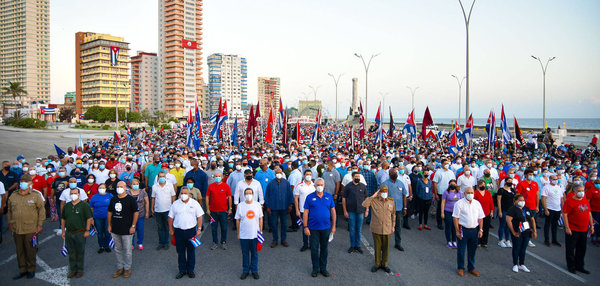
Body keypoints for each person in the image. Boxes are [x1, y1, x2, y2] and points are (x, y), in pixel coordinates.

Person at [7, 175, 45, 280]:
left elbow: (41, 210)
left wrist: (40, 224)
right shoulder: (14, 195)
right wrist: (10, 223)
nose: (22, 183)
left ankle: (31, 269)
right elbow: (9, 210)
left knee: (30, 250)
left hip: (30, 228)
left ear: (30, 183)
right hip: (17, 228)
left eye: (25, 181)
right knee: (20, 250)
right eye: (21, 181)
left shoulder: (35, 195)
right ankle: (22, 270)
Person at [168, 186, 204, 279]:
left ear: (189, 194)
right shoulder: (175, 204)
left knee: (191, 251)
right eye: (182, 193)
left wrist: (199, 228)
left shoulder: (195, 203)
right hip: (179, 232)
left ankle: (191, 270)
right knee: (181, 252)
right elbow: (170, 217)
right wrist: (171, 229)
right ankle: (182, 270)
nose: (183, 195)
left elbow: (200, 216)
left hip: (191, 231)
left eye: (185, 193)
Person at [303, 178, 336, 278]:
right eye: (318, 184)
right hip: (313, 228)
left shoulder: (329, 197)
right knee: (314, 249)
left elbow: (333, 212)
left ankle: (323, 268)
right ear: (315, 186)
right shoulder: (309, 197)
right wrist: (305, 227)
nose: (320, 186)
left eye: (321, 184)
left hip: (326, 227)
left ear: (324, 186)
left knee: (324, 249)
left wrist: (333, 226)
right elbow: (305, 212)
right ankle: (315, 268)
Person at [108, 181, 139, 278]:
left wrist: (133, 226)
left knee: (127, 250)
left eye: (121, 186)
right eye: (118, 186)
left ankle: (127, 268)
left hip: (127, 229)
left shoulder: (130, 199)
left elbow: (136, 212)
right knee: (117, 249)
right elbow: (110, 212)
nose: (119, 188)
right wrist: (109, 225)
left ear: (126, 188)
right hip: (115, 229)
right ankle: (120, 267)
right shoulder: (113, 199)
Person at [362, 185, 395, 273]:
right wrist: (373, 195)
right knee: (377, 247)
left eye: (386, 191)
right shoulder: (374, 200)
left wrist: (393, 226)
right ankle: (377, 264)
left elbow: (393, 215)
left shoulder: (391, 202)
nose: (384, 193)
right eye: (382, 192)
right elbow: (364, 204)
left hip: (387, 228)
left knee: (386, 248)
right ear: (379, 192)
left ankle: (385, 264)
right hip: (376, 228)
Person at [61, 187, 94, 278]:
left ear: (79, 194)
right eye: (71, 193)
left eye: (75, 193)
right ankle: (73, 269)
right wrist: (63, 231)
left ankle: (79, 269)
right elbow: (63, 219)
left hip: (80, 232)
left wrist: (87, 230)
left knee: (80, 251)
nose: (73, 195)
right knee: (71, 252)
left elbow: (89, 218)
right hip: (69, 232)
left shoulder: (84, 205)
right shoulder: (67, 206)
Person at [452, 187, 484, 277]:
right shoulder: (459, 204)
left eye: (472, 192)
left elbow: (480, 217)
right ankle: (461, 267)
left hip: (474, 230)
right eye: (468, 192)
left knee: (472, 250)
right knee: (461, 250)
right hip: (463, 230)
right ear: (464, 194)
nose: (470, 194)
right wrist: (457, 231)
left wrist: (481, 229)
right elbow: (455, 218)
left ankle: (471, 268)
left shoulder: (477, 204)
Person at [562, 185, 594, 274]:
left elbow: (589, 213)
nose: (581, 192)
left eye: (583, 190)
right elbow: (565, 214)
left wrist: (591, 226)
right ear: (574, 191)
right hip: (573, 229)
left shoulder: (585, 200)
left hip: (584, 229)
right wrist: (567, 227)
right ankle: (571, 266)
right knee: (571, 249)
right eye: (579, 190)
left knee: (582, 249)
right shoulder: (569, 201)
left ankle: (580, 266)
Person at [235, 187, 264, 280]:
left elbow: (260, 218)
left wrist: (261, 231)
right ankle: (245, 270)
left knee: (255, 253)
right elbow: (238, 220)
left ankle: (254, 270)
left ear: (253, 194)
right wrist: (238, 233)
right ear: (244, 195)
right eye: (246, 193)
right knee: (245, 253)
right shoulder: (240, 205)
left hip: (255, 234)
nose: (248, 195)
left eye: (250, 193)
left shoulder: (257, 205)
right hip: (244, 235)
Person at [506, 194, 537, 273]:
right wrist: (513, 231)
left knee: (523, 248)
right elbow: (509, 220)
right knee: (517, 247)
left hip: (526, 232)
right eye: (520, 200)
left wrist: (534, 231)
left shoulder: (527, 209)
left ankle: (522, 264)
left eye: (523, 200)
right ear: (515, 201)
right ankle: (515, 264)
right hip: (517, 232)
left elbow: (532, 220)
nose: (522, 202)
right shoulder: (512, 209)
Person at [264, 167, 293, 248]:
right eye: (277, 173)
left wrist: (290, 204)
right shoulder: (270, 183)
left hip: (284, 207)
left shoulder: (286, 183)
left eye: (280, 172)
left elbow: (290, 194)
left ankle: (283, 240)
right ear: (275, 174)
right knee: (274, 224)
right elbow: (267, 196)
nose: (279, 174)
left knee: (284, 224)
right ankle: (275, 240)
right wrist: (268, 207)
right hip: (273, 207)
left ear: (282, 173)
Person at [342, 171, 368, 254]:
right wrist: (345, 210)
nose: (357, 178)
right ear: (352, 177)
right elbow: (344, 198)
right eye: (356, 176)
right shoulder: (348, 186)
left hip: (360, 210)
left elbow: (366, 198)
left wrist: (367, 210)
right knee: (352, 229)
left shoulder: (363, 186)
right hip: (351, 211)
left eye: (358, 176)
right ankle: (352, 245)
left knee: (359, 229)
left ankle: (358, 245)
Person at [382, 169, 408, 251]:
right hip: (388, 210)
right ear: (389, 174)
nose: (395, 174)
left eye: (396, 173)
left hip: (399, 209)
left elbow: (404, 195)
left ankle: (398, 243)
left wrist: (405, 207)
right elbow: (382, 197)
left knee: (398, 227)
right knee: (386, 227)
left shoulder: (401, 183)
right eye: (393, 173)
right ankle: (384, 244)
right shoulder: (385, 184)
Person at [206, 171, 232, 250]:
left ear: (222, 177)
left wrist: (230, 208)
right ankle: (215, 242)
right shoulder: (211, 186)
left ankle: (223, 242)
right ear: (214, 177)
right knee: (214, 228)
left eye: (219, 176)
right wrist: (207, 208)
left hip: (223, 211)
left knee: (224, 228)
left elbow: (229, 197)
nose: (217, 177)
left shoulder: (226, 186)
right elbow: (207, 197)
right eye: (216, 176)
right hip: (213, 212)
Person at [152, 172, 176, 250]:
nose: (162, 178)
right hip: (158, 210)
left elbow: (173, 196)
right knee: (160, 227)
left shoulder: (170, 185)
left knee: (166, 227)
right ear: (158, 178)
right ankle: (161, 243)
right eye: (160, 176)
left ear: (165, 177)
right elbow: (153, 198)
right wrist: (152, 208)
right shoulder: (154, 187)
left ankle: (166, 243)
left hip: (168, 210)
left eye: (163, 176)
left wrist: (173, 207)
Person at [516, 169, 539, 247]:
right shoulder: (521, 184)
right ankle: (520, 237)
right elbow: (517, 195)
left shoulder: (535, 184)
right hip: (524, 207)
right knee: (524, 223)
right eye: (529, 174)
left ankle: (528, 238)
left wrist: (537, 206)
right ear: (525, 175)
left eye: (532, 174)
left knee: (531, 223)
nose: (531, 176)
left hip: (533, 207)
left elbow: (537, 195)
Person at [294, 169, 316, 251]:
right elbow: (296, 198)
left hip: (313, 210)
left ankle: (312, 244)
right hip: (303, 210)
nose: (308, 176)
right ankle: (305, 244)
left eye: (310, 174)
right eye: (307, 174)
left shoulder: (314, 186)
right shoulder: (299, 186)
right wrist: (297, 210)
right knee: (305, 227)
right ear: (304, 175)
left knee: (313, 227)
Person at [89, 183, 113, 253]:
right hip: (97, 217)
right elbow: (91, 208)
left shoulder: (110, 195)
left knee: (107, 232)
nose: (101, 189)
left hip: (108, 217)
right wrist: (91, 218)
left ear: (106, 189)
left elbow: (113, 205)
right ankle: (101, 246)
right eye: (100, 188)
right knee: (100, 232)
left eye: (103, 188)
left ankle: (106, 245)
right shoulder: (94, 197)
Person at [541, 175, 564, 247]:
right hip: (550, 208)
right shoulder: (546, 187)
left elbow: (561, 198)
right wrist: (545, 209)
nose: (555, 180)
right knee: (547, 225)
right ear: (550, 180)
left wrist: (562, 208)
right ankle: (546, 240)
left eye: (556, 179)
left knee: (555, 225)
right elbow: (543, 198)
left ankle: (554, 240)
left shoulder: (558, 187)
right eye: (554, 179)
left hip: (557, 209)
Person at [433, 159, 456, 229]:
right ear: (442, 164)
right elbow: (435, 183)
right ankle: (439, 223)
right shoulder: (438, 172)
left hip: (450, 193)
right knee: (440, 208)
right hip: (441, 193)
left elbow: (454, 182)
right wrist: (436, 194)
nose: (447, 164)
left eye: (448, 163)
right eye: (445, 163)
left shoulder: (451, 172)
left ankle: (448, 222)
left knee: (449, 207)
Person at [128, 179, 149, 250]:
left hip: (140, 214)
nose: (135, 185)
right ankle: (131, 243)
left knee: (140, 229)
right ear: (131, 185)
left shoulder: (143, 192)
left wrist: (147, 212)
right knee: (131, 229)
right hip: (130, 215)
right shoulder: (127, 192)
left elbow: (147, 202)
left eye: (137, 184)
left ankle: (140, 243)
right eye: (133, 184)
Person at [441, 180, 462, 248]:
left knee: (455, 227)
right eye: (451, 184)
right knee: (448, 226)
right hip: (448, 211)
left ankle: (454, 240)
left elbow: (461, 202)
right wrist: (442, 212)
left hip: (456, 212)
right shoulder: (446, 192)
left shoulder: (459, 193)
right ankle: (449, 241)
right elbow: (443, 202)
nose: (453, 185)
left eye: (454, 184)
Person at [496, 177, 516, 248]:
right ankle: (500, 240)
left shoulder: (512, 190)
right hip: (504, 210)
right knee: (503, 225)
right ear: (505, 182)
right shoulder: (501, 190)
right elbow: (499, 200)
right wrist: (500, 211)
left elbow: (514, 201)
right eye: (509, 181)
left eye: (511, 181)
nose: (510, 182)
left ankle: (507, 239)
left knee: (508, 226)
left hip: (510, 211)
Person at [474, 179, 494, 248]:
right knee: (478, 227)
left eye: (483, 185)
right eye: (481, 185)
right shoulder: (475, 193)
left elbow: (491, 202)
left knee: (486, 228)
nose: (483, 186)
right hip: (478, 213)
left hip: (487, 212)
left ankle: (484, 242)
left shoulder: (488, 193)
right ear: (478, 185)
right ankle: (478, 241)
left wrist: (491, 211)